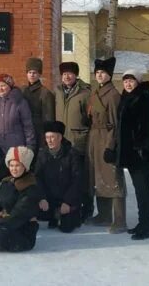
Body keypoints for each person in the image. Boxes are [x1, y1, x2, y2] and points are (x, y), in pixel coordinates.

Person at [111, 69, 149, 240]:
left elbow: (148, 125)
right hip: (131, 152)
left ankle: (146, 225)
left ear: (138, 81)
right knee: (138, 190)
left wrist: (142, 146)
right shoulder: (126, 97)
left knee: (143, 190)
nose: (128, 84)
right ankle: (141, 222)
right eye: (125, 81)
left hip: (140, 153)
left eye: (131, 81)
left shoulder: (144, 97)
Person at [90, 57, 126, 232]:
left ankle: (120, 220)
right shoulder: (97, 92)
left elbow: (114, 123)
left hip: (106, 137)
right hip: (95, 137)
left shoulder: (112, 95)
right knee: (98, 176)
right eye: (97, 73)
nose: (99, 75)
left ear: (109, 75)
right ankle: (104, 215)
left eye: (103, 73)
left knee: (113, 178)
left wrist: (110, 146)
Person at [55, 61, 91, 221]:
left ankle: (86, 209)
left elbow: (91, 119)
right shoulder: (57, 92)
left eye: (70, 73)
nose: (67, 77)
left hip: (79, 142)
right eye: (64, 74)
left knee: (81, 179)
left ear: (76, 75)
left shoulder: (86, 93)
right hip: (62, 143)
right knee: (65, 179)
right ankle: (68, 210)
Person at [34, 120, 81, 233]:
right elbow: (37, 178)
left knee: (67, 227)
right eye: (47, 137)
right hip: (49, 199)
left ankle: (67, 214)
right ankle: (54, 215)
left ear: (60, 137)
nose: (49, 140)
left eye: (52, 137)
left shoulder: (71, 154)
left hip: (66, 199)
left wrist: (67, 201)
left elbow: (77, 180)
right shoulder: (42, 154)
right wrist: (42, 198)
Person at [0, 73, 35, 154]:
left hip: (15, 148)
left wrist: (30, 147)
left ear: (10, 86)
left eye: (3, 86)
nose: (0, 89)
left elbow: (28, 127)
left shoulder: (20, 102)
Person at [21, 57, 56, 150]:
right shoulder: (23, 90)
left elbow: (49, 118)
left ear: (39, 74)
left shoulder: (45, 93)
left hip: (38, 132)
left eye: (35, 72)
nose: (32, 75)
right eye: (29, 72)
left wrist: (46, 137)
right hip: (24, 132)